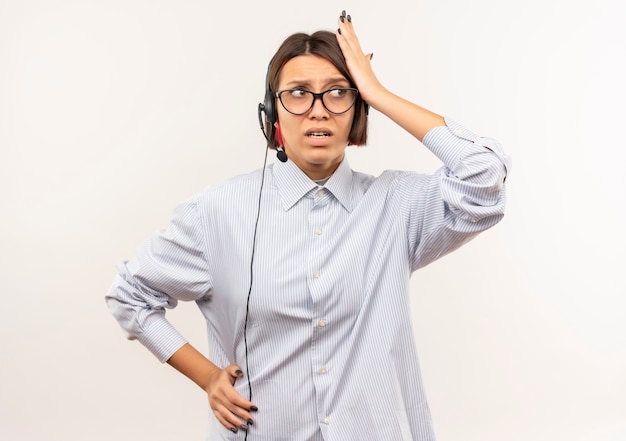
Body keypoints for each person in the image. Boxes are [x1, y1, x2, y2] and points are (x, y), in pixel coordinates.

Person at [106, 10, 510, 441]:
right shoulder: (217, 211)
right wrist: (207, 376)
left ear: (357, 113)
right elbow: (131, 296)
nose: (318, 110)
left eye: (338, 93)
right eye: (298, 94)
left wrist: (377, 92)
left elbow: (484, 176)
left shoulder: (396, 206)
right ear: (271, 115)